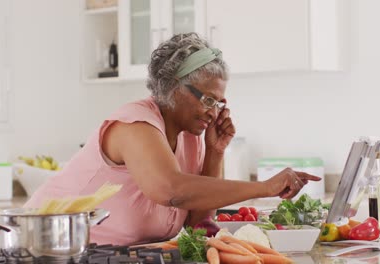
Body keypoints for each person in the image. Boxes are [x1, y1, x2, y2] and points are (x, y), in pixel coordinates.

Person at [24, 33, 321, 245]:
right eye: (208, 99)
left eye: (219, 103)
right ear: (175, 88)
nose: (214, 112)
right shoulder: (135, 125)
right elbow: (171, 190)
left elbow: (197, 226)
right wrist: (264, 187)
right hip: (48, 246)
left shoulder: (190, 137)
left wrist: (215, 153)